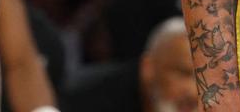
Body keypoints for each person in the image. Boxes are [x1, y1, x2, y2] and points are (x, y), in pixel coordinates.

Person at [61, 17, 196, 112]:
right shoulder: (87, 100)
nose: (194, 91)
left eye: (201, 78)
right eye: (183, 73)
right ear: (148, 68)